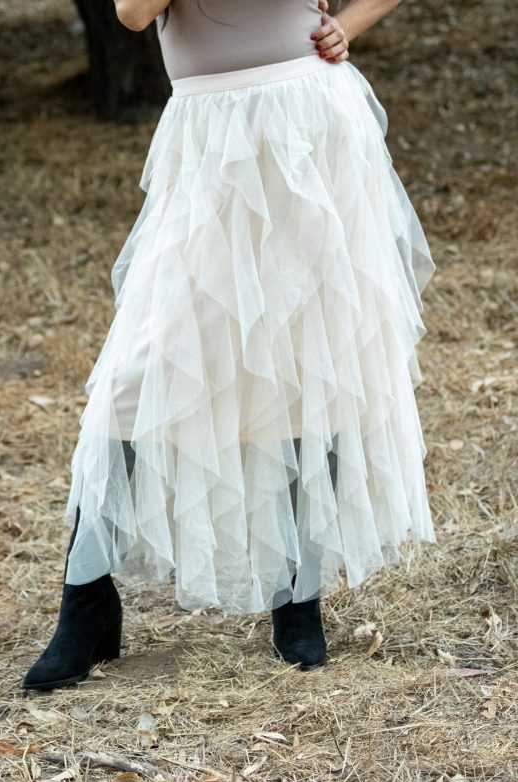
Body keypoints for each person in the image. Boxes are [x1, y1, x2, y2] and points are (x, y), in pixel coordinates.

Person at [23, 0, 436, 691]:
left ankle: (298, 598)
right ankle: (87, 604)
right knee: (138, 374)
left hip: (309, 124)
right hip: (207, 134)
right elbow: (130, 13)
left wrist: (351, 25)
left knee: (309, 364)